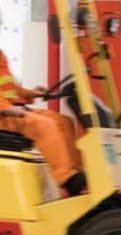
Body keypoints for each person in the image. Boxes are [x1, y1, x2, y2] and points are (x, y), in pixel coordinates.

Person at [0, 30, 86, 197]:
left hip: (10, 108)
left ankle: (76, 173)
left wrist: (29, 93)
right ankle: (66, 178)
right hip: (3, 114)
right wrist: (7, 109)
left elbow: (8, 88)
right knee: (45, 125)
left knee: (63, 121)